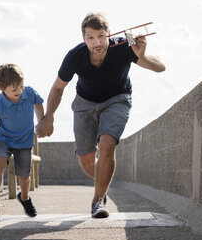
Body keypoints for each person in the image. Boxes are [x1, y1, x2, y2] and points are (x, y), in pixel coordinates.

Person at [36, 12, 165, 218]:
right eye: (90, 38)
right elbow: (58, 88)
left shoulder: (124, 46)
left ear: (109, 34)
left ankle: (98, 201)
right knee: (88, 163)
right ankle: (103, 182)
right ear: (84, 39)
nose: (97, 42)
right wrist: (49, 117)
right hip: (84, 104)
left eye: (101, 36)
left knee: (107, 144)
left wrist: (142, 56)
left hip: (117, 99)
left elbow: (161, 67)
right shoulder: (75, 56)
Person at [0, 63, 44, 217]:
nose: (19, 91)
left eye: (21, 86)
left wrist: (42, 122)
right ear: (1, 88)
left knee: (24, 177)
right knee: (0, 161)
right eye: (14, 90)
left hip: (24, 141)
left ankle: (24, 198)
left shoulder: (29, 93)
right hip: (4, 139)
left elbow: (39, 104)